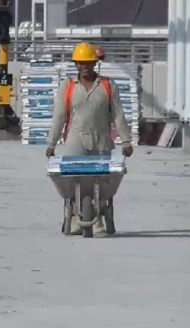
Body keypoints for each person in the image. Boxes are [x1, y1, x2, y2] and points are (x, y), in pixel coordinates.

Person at [45, 42, 133, 235]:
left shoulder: (107, 86)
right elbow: (59, 116)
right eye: (79, 63)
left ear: (95, 63)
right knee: (74, 178)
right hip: (75, 139)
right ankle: (76, 216)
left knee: (101, 180)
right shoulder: (67, 87)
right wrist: (51, 144)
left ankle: (98, 217)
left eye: (88, 63)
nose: (83, 67)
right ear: (75, 64)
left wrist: (126, 141)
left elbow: (118, 114)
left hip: (100, 139)